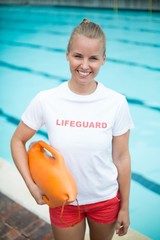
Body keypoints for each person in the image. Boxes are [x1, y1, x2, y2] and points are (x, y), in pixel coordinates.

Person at [11, 18, 134, 240]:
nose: (85, 65)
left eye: (93, 58)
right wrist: (31, 185)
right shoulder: (46, 99)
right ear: (67, 55)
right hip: (62, 200)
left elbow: (122, 158)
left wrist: (125, 206)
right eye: (78, 56)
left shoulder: (116, 102)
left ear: (103, 59)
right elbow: (17, 140)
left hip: (105, 199)